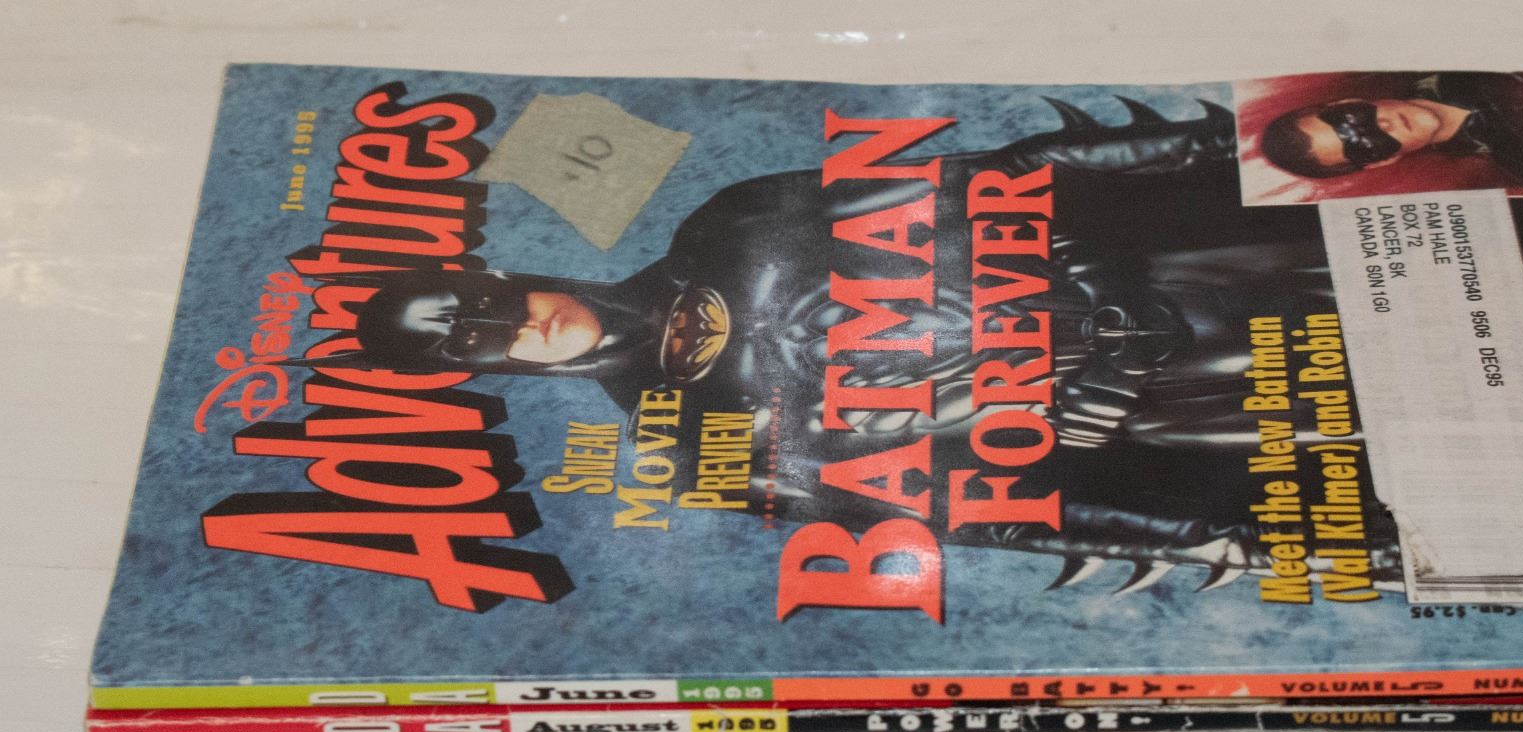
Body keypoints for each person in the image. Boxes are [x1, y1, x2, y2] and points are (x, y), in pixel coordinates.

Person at [315, 96, 1402, 595]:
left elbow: (1005, 173)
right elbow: (991, 513)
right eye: (480, 344)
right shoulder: (699, 452)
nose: (522, 326)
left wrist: (1225, 147)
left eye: (489, 303)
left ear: (499, 274)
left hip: (1228, 261)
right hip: (1222, 409)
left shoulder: (733, 221)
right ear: (481, 372)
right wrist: (1255, 542)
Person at [1260, 72, 1523, 195]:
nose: (1384, 126)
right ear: (1381, 162)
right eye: (1363, 145)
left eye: (1350, 120)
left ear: (1347, 102)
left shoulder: (1451, 57)